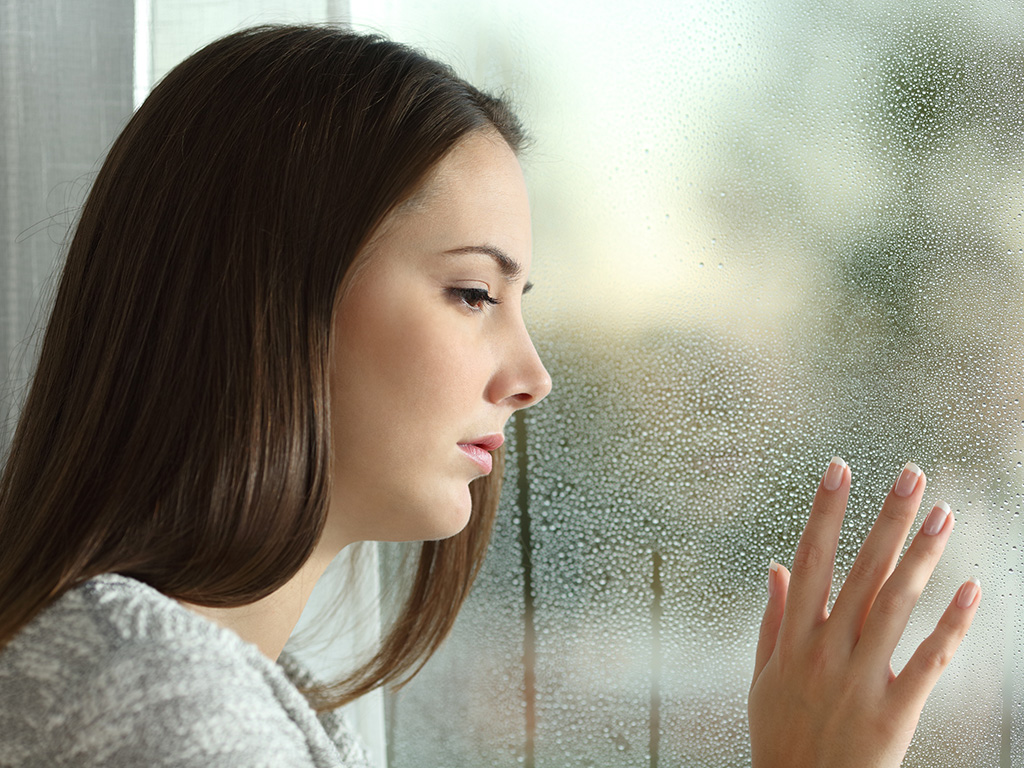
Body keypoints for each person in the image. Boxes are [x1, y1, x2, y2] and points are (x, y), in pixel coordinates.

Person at [0, 23, 979, 768]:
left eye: (519, 302)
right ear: (261, 292)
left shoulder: (168, 681)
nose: (532, 376)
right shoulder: (160, 711)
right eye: (472, 293)